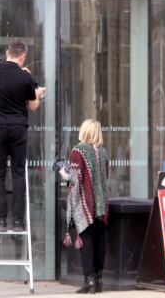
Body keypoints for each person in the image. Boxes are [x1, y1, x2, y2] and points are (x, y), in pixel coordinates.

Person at [0, 40, 46, 232]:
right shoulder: (25, 77)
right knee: (19, 174)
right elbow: (33, 105)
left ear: (7, 52)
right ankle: (18, 222)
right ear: (23, 57)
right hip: (18, 129)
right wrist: (39, 93)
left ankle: (0, 221)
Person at [60, 119, 109, 294]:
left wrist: (62, 173)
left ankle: (89, 281)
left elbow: (74, 178)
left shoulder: (78, 151)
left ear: (84, 131)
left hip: (85, 205)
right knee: (99, 242)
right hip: (101, 205)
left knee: (87, 242)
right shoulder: (103, 153)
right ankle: (99, 280)